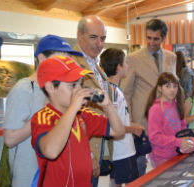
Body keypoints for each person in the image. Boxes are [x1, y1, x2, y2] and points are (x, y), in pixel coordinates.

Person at [31, 55, 125, 186]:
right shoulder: (43, 117)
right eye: (73, 85)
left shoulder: (83, 115)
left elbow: (118, 131)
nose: (80, 90)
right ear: (50, 87)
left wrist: (108, 106)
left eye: (81, 84)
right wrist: (73, 107)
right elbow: (51, 151)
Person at [2, 34, 83, 187]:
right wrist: (42, 116)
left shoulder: (58, 89)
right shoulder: (25, 89)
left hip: (53, 175)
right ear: (42, 59)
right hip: (28, 178)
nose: (65, 65)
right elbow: (9, 139)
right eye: (60, 60)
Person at [120, 18, 176, 176]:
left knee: (166, 165)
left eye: (156, 38)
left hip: (167, 121)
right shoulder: (133, 58)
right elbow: (126, 92)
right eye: (149, 38)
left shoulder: (172, 57)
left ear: (163, 38)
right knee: (139, 167)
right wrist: (129, 122)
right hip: (142, 122)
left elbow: (175, 86)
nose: (151, 42)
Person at [71, 15, 112, 186]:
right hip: (82, 150)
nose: (99, 44)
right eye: (93, 37)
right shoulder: (72, 65)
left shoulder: (95, 65)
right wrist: (89, 154)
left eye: (103, 39)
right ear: (80, 35)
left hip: (98, 140)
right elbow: (71, 115)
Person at [99, 48, 144, 187]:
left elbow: (119, 118)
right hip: (120, 152)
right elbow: (112, 125)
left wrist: (131, 124)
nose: (128, 66)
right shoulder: (111, 92)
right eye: (125, 63)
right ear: (118, 67)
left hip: (123, 150)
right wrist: (133, 129)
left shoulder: (115, 89)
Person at [144, 72, 194, 168]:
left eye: (175, 86)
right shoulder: (155, 109)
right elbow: (154, 137)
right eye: (168, 86)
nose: (172, 90)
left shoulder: (177, 106)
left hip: (178, 154)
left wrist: (191, 142)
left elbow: (184, 129)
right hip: (162, 157)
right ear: (160, 88)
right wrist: (178, 142)